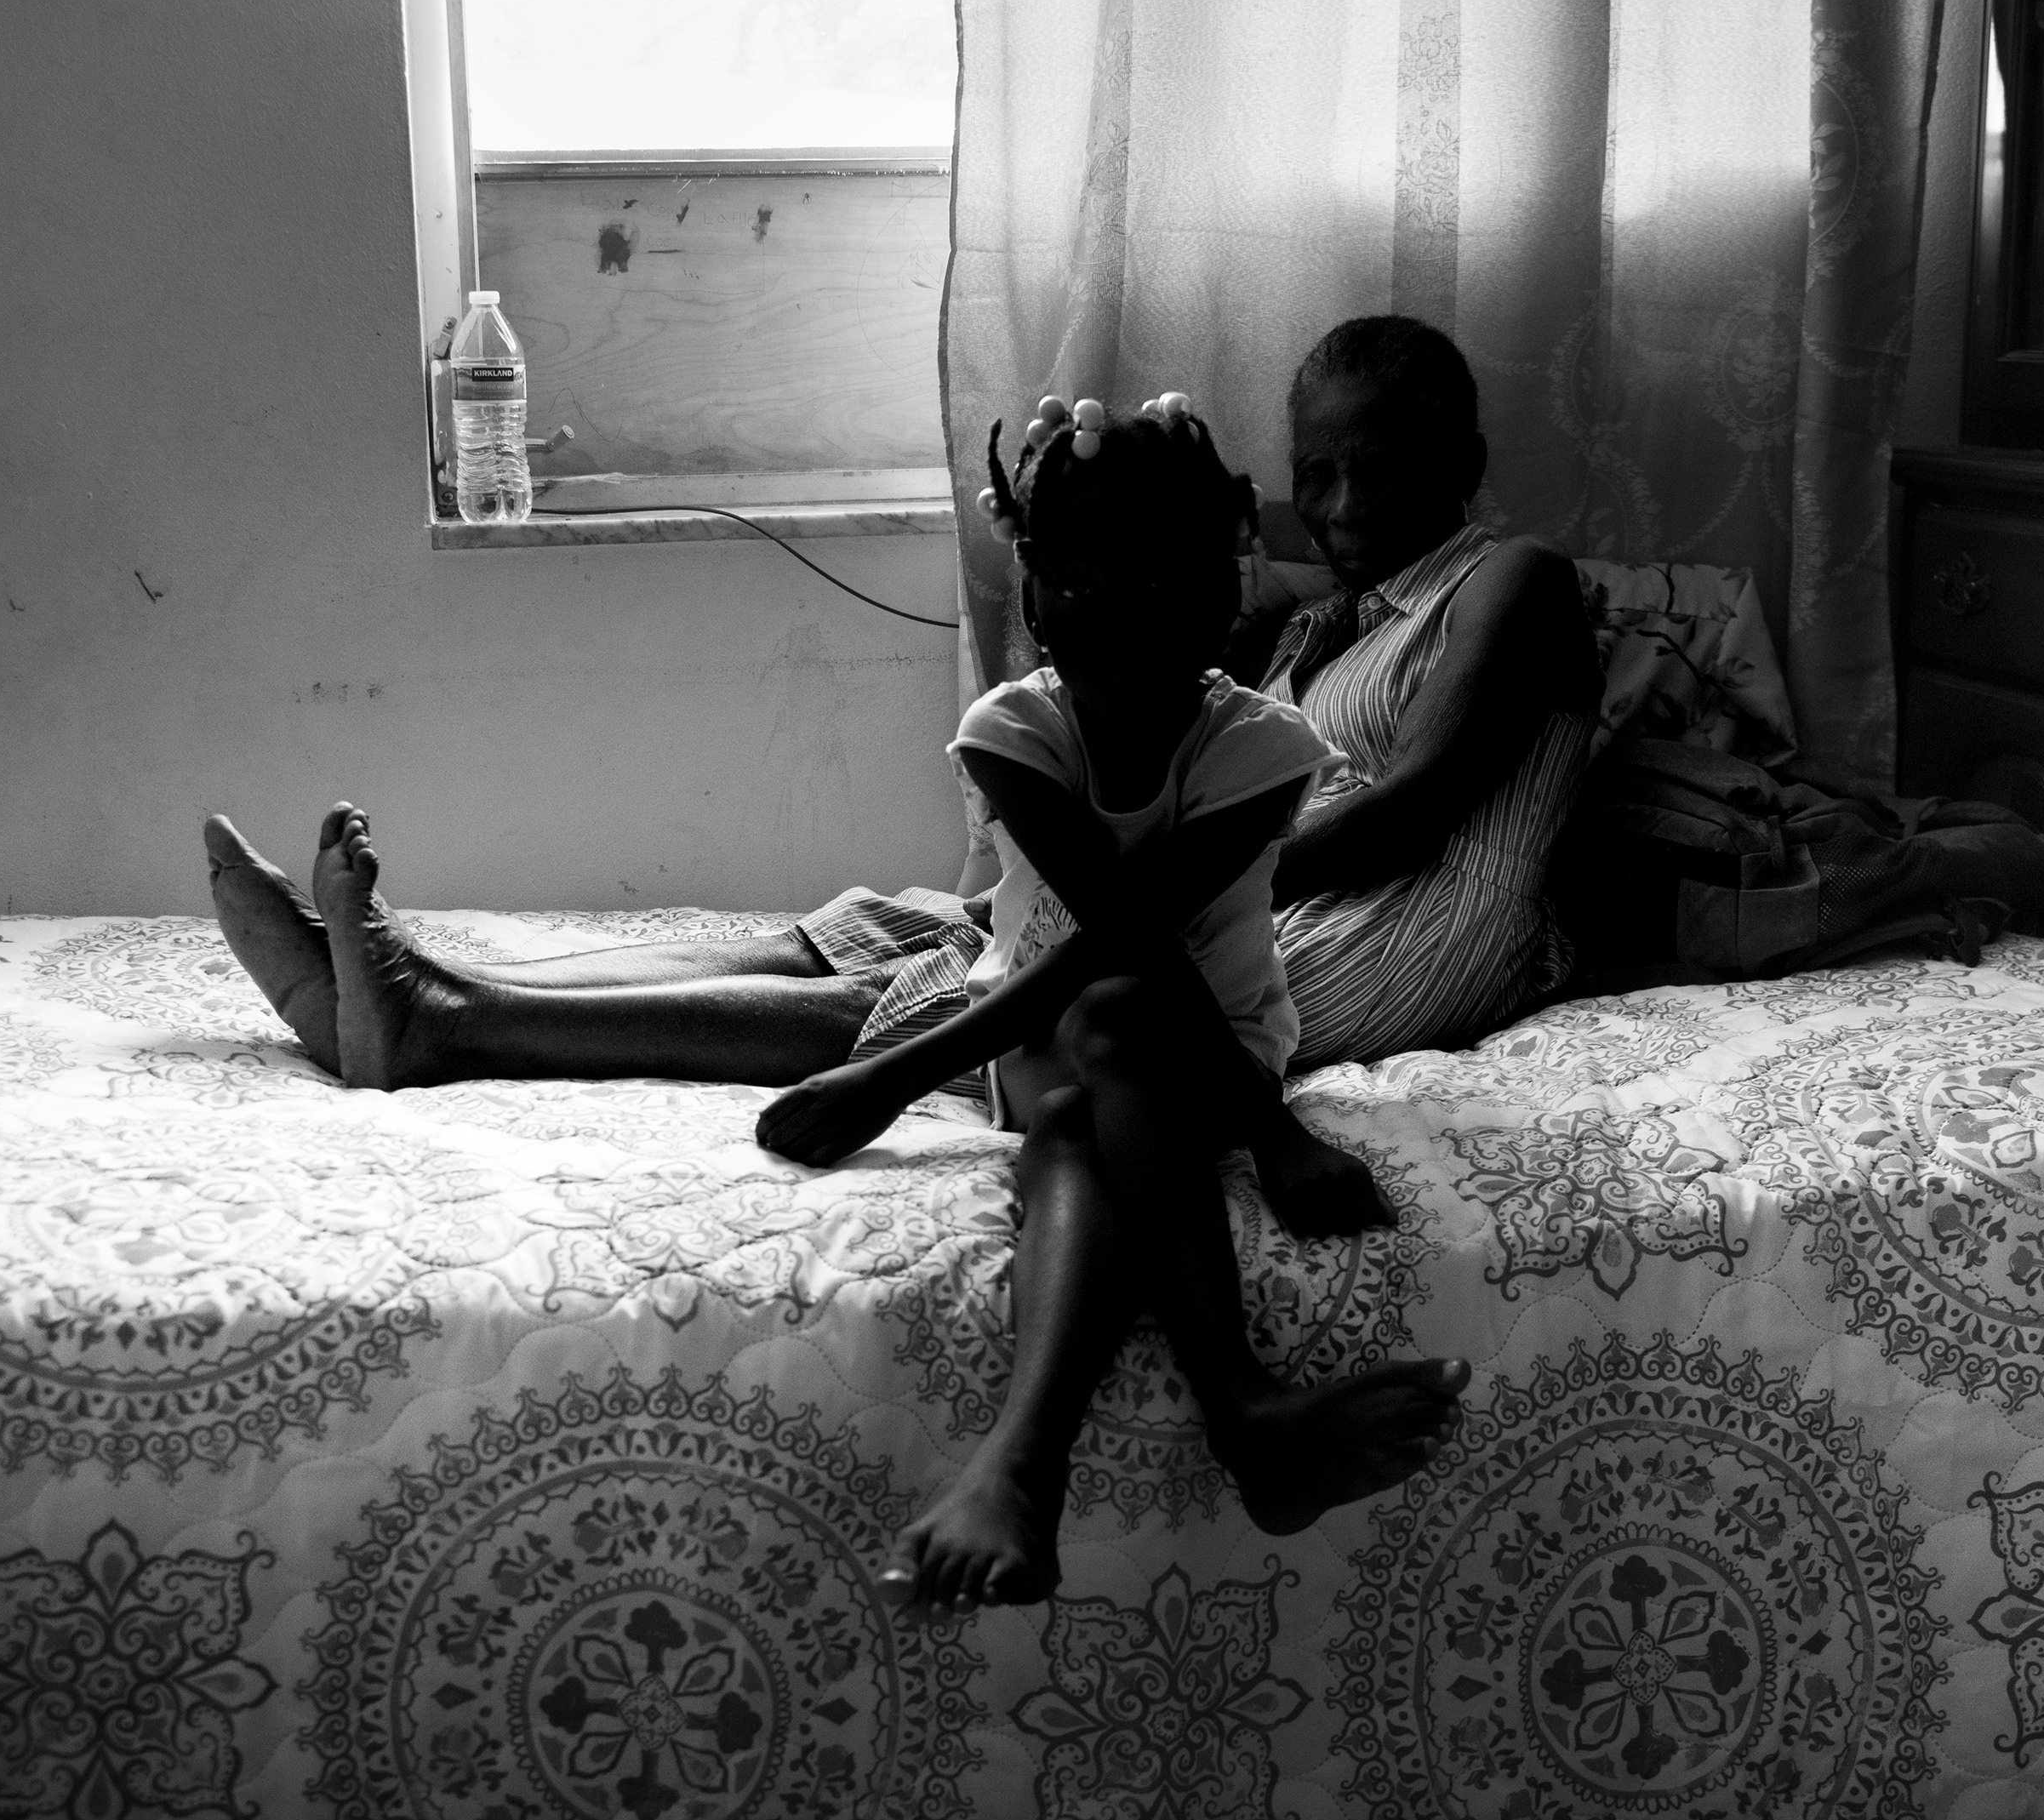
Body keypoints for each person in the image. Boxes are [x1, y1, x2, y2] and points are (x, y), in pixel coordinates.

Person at [254, 398, 1467, 1615]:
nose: (1117, 618)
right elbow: (1104, 930)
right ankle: (1232, 1413)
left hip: (1207, 1059)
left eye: (1159, 585)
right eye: (1079, 586)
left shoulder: (1262, 747)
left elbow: (1135, 937)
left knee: (1094, 1054)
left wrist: (913, 1077)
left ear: (1221, 597)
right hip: (1032, 1038)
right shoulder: (1013, 730)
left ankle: (1034, 1460)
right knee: (1057, 1066)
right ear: (1035, 599)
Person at [201, 316, 1594, 1238]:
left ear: (1466, 467)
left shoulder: (1510, 579)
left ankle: (446, 1028)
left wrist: (1178, 877)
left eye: (1381, 473)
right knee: (894, 922)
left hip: (1394, 926)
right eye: (1318, 474)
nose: (1342, 507)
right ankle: (415, 977)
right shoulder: (1317, 622)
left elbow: (1415, 807)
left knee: (969, 983)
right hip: (1272, 891)